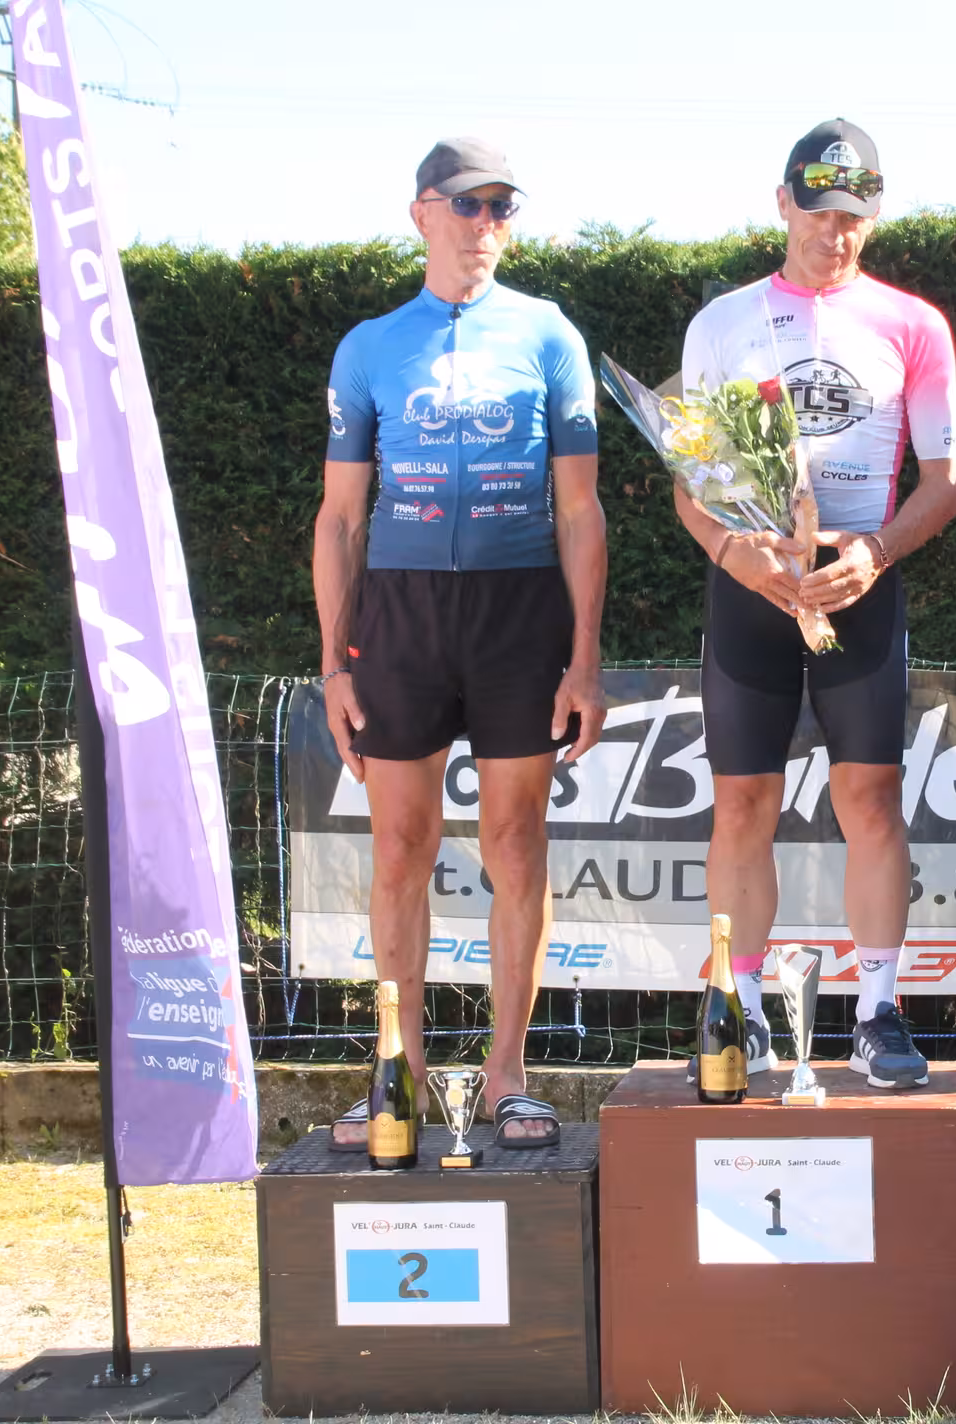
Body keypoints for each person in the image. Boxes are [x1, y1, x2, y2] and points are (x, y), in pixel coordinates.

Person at [314, 137, 606, 1148]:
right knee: (401, 844)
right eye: (468, 205)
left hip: (518, 607)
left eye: (502, 207)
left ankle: (506, 1074)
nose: (487, 224)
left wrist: (584, 659)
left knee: (516, 842)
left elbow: (581, 510)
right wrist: (332, 661)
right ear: (422, 214)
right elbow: (340, 518)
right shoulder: (369, 346)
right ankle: (397, 1071)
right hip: (399, 615)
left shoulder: (548, 333)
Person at [673, 119, 956, 1089]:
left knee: (870, 798)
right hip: (752, 582)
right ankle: (741, 1011)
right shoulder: (722, 323)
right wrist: (731, 549)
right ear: (783, 205)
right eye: (817, 211)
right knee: (741, 802)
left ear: (872, 220)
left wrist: (875, 551)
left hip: (857, 582)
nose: (832, 232)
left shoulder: (914, 324)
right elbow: (691, 484)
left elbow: (946, 480)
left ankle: (878, 1011)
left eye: (851, 217)